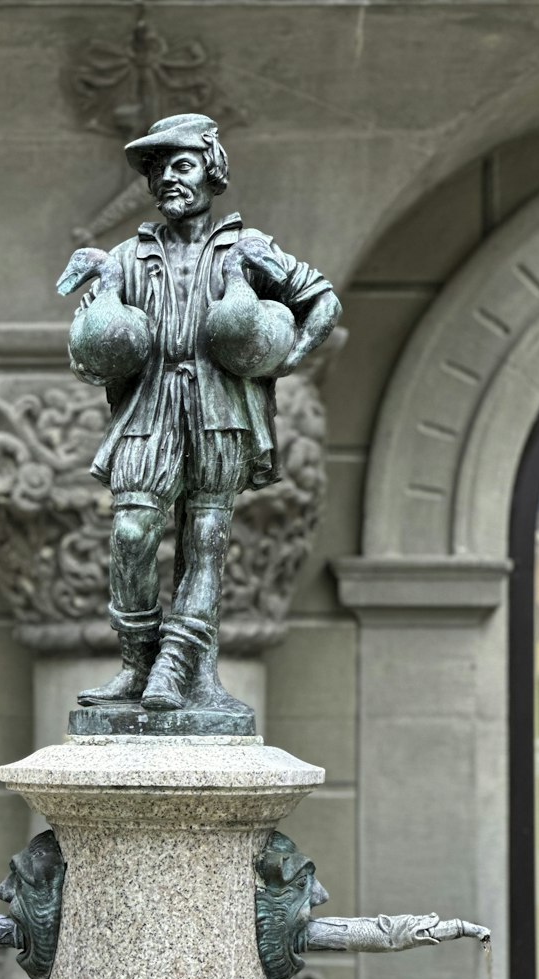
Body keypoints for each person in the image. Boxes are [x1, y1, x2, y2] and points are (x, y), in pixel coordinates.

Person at [61, 112, 341, 714]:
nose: (168, 179)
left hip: (218, 409)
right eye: (157, 170)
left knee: (207, 535)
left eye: (181, 165)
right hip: (152, 406)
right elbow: (94, 346)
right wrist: (96, 313)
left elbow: (322, 300)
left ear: (213, 170)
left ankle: (178, 666)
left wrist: (285, 357)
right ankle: (138, 660)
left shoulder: (246, 247)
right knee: (132, 533)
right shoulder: (129, 257)